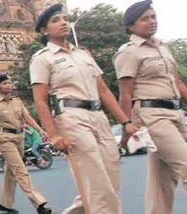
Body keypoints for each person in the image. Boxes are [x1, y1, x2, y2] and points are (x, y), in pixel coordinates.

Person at [29, 3, 138, 214]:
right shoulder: (42, 58)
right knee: (98, 185)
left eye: (64, 19)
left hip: (99, 117)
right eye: (55, 20)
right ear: (44, 30)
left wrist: (126, 122)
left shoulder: (83, 54)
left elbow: (104, 90)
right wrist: (53, 134)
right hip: (71, 118)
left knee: (110, 180)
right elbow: (40, 100)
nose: (63, 23)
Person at [114, 1, 187, 213]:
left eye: (153, 16)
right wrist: (126, 127)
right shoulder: (128, 53)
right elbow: (125, 94)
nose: (152, 21)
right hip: (152, 116)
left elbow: (178, 84)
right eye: (145, 18)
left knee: (162, 181)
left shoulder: (162, 48)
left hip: (175, 113)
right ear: (131, 26)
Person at [0, 74, 52, 214]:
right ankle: (39, 204)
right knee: (21, 170)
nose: (8, 85)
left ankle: (5, 205)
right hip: (4, 138)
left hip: (19, 137)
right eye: (4, 83)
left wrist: (40, 130)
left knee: (11, 172)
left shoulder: (17, 101)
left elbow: (27, 118)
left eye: (9, 82)